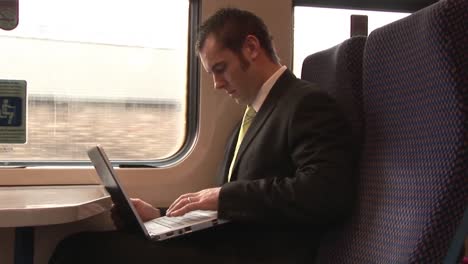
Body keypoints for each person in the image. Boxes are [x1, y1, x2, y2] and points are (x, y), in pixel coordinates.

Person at [49, 7, 355, 264]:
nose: (217, 84)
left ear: (251, 47)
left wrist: (221, 196)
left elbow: (324, 194)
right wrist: (160, 215)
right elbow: (231, 209)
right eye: (211, 73)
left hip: (257, 255)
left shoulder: (306, 103)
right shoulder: (250, 117)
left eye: (221, 69)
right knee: (79, 245)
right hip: (224, 245)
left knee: (79, 253)